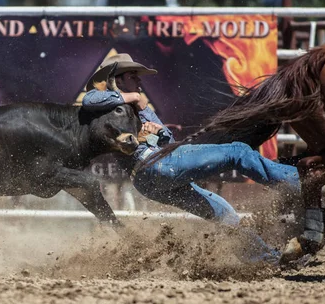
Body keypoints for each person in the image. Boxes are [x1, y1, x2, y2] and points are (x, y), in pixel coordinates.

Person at [81, 53, 300, 264]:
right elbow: (90, 100)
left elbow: (169, 139)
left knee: (223, 212)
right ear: (116, 80)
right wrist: (136, 99)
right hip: (157, 165)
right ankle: (297, 183)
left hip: (148, 180)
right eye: (132, 76)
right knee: (238, 152)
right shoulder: (105, 105)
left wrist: (157, 131)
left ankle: (265, 260)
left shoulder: (136, 108)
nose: (139, 80)